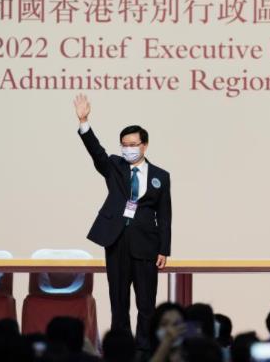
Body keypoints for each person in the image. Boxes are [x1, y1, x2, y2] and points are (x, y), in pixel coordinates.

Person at [73, 94, 172, 354]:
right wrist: (84, 122)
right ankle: (121, 351)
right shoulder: (114, 167)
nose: (128, 149)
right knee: (119, 302)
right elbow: (96, 152)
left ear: (144, 145)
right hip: (116, 241)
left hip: (146, 244)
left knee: (146, 303)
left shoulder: (161, 176)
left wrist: (164, 249)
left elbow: (165, 215)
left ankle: (145, 351)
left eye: (133, 144)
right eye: (124, 145)